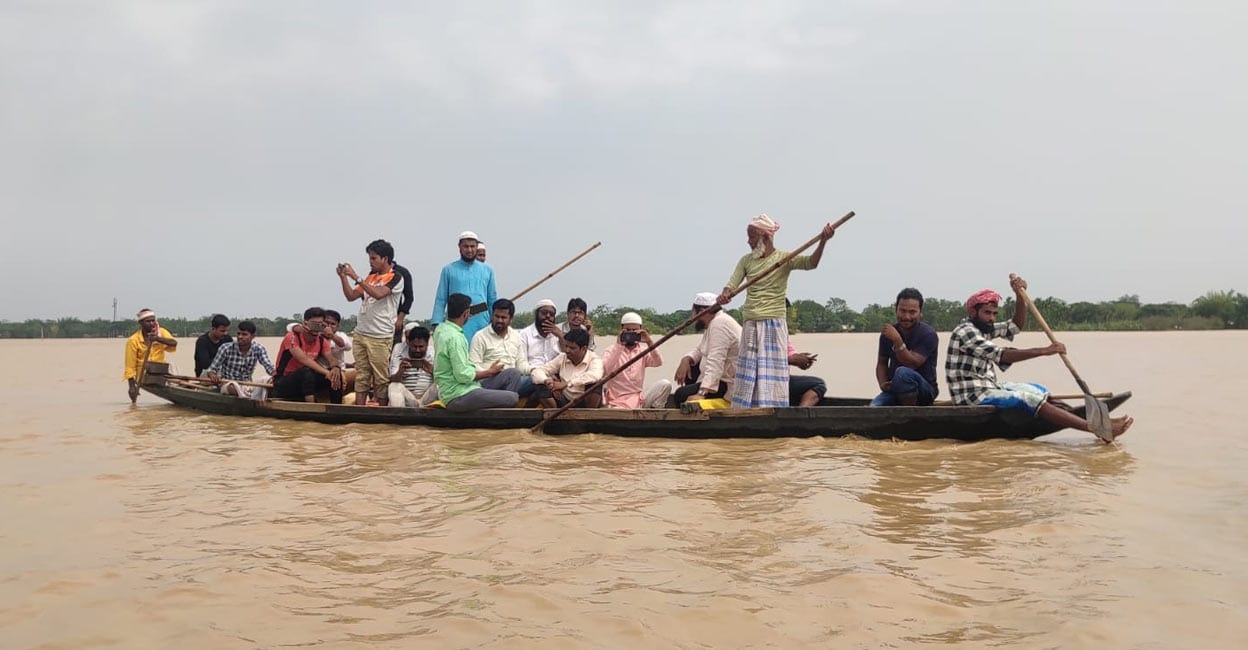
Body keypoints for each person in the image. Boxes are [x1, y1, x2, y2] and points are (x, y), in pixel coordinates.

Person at [945, 276, 1133, 439]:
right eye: (987, 313)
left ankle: (1093, 420)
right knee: (1028, 398)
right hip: (972, 397)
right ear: (972, 313)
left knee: (1038, 390)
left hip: (989, 387)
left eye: (994, 313)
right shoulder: (966, 332)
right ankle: (1095, 428)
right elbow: (1002, 355)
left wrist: (1020, 296)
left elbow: (1016, 326)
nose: (992, 318)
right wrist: (1045, 350)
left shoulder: (984, 328)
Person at [718, 214, 837, 408]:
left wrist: (823, 241)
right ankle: (743, 410)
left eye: (752, 237)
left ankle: (772, 409)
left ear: (765, 237)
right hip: (751, 323)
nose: (748, 241)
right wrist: (725, 295)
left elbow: (811, 263)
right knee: (749, 373)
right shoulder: (746, 261)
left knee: (771, 373)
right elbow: (731, 285)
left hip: (773, 323)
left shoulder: (784, 259)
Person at [338, 239, 404, 406]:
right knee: (362, 374)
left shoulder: (396, 277)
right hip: (361, 333)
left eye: (374, 258)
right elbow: (351, 296)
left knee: (381, 377)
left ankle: (381, 411)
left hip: (380, 335)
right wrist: (343, 278)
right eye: (370, 258)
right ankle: (360, 409)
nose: (371, 262)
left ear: (385, 259)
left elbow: (379, 294)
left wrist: (356, 277)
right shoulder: (371, 277)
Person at [433, 293, 520, 412]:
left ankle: (498, 412)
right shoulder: (455, 338)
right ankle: (498, 417)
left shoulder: (440, 329)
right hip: (458, 395)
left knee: (513, 373)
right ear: (466, 314)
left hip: (467, 388)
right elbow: (463, 375)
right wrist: (489, 372)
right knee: (512, 397)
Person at [871, 288, 941, 406]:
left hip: (924, 391)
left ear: (920, 312)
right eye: (902, 311)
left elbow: (912, 363)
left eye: (912, 312)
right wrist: (883, 384)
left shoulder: (928, 334)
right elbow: (882, 363)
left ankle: (909, 414)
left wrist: (897, 340)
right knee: (874, 407)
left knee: (903, 373)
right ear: (896, 309)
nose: (906, 316)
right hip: (896, 389)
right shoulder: (888, 334)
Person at [671, 292, 741, 405]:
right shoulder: (714, 322)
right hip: (719, 380)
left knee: (680, 395)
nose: (693, 317)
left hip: (726, 383)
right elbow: (700, 350)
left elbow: (716, 361)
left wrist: (702, 393)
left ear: (702, 312)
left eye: (694, 313)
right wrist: (686, 359)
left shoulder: (719, 324)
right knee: (692, 368)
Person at [431, 231, 497, 344]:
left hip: (482, 321)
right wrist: (436, 323)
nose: (469, 250)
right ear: (459, 247)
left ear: (477, 247)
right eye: (466, 246)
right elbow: (441, 299)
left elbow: (492, 299)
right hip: (456, 322)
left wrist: (494, 319)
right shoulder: (449, 270)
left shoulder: (488, 270)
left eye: (472, 246)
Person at [271, 307, 345, 403]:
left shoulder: (321, 340)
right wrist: (327, 373)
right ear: (305, 323)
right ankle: (311, 406)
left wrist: (335, 367)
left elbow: (331, 358)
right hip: (284, 381)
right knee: (306, 371)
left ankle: (337, 406)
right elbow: (304, 360)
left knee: (335, 374)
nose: (317, 328)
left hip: (307, 380)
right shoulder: (292, 337)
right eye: (314, 324)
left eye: (320, 325)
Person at [602, 312, 671, 409]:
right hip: (617, 402)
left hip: (639, 400)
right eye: (628, 330)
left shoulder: (642, 351)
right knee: (618, 411)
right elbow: (606, 370)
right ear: (621, 330)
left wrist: (649, 342)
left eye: (634, 331)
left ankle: (654, 414)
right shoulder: (611, 350)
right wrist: (619, 346)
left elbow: (658, 362)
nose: (631, 333)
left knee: (665, 384)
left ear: (640, 330)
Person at [531, 328, 604, 408]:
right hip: (564, 401)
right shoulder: (563, 357)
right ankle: (554, 416)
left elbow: (595, 375)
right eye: (566, 346)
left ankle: (589, 417)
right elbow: (538, 371)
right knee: (540, 385)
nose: (567, 350)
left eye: (572, 348)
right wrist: (547, 381)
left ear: (584, 348)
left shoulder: (595, 359)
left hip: (584, 402)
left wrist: (566, 384)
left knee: (595, 384)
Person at [468, 298, 527, 394]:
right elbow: (473, 366)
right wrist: (490, 371)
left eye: (503, 318)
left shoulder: (516, 336)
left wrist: (538, 371)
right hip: (488, 382)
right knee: (513, 373)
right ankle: (506, 404)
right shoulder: (480, 336)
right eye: (497, 316)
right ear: (492, 316)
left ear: (511, 319)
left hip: (513, 380)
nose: (499, 320)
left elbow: (521, 364)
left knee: (538, 382)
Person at [205, 320, 275, 398]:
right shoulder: (226, 348)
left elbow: (269, 367)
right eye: (238, 334)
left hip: (248, 385)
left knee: (269, 380)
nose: (240, 337)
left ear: (253, 336)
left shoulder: (259, 348)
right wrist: (213, 375)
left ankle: (249, 395)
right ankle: (249, 397)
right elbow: (211, 369)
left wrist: (276, 376)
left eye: (244, 334)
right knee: (233, 387)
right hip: (228, 383)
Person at [123, 308, 178, 403]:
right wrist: (132, 387)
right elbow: (130, 366)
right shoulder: (133, 340)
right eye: (148, 321)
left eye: (153, 320)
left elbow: (173, 343)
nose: (152, 323)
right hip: (144, 375)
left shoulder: (161, 332)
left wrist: (158, 339)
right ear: (141, 323)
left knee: (174, 369)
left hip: (160, 371)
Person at [388, 325, 436, 407]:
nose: (417, 350)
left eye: (421, 347)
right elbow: (392, 379)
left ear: (427, 344)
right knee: (394, 386)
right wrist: (400, 371)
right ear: (409, 343)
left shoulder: (433, 354)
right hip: (408, 397)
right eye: (414, 347)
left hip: (427, 397)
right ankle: (399, 416)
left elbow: (443, 378)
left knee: (440, 385)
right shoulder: (400, 353)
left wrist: (433, 371)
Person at [519, 299, 563, 370]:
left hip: (554, 374)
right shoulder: (525, 334)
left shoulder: (557, 335)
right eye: (544, 313)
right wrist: (539, 373)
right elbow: (522, 364)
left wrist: (560, 336)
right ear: (536, 314)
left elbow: (566, 357)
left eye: (551, 314)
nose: (548, 316)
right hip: (531, 374)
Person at [391, 260, 415, 343]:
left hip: (395, 318)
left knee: (395, 349)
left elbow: (409, 298)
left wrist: (400, 319)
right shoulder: (374, 273)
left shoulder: (402, 272)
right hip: (376, 320)